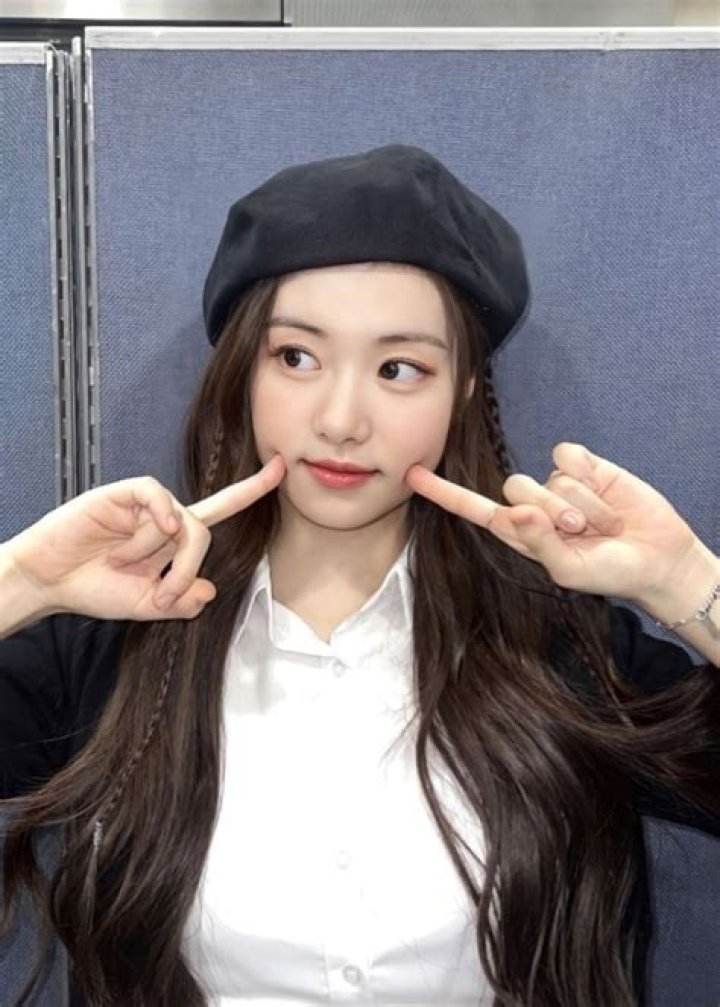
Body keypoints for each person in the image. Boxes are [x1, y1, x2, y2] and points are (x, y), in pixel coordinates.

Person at [0, 143, 717, 1007]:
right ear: (244, 373)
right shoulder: (117, 647)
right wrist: (23, 580)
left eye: (398, 368)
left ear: (461, 392)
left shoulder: (557, 645)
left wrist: (688, 583)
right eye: (297, 358)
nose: (341, 420)